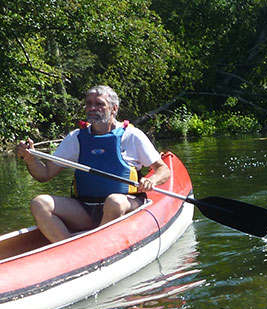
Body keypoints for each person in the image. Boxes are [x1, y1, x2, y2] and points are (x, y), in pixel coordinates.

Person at [14, 85, 171, 243]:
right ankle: (69, 250)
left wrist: (152, 180)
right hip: (85, 208)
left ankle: (99, 248)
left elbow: (163, 169)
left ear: (114, 109)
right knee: (39, 203)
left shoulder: (132, 136)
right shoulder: (76, 138)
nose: (92, 108)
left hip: (125, 204)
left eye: (99, 104)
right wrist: (30, 159)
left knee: (113, 202)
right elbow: (45, 174)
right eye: (89, 104)